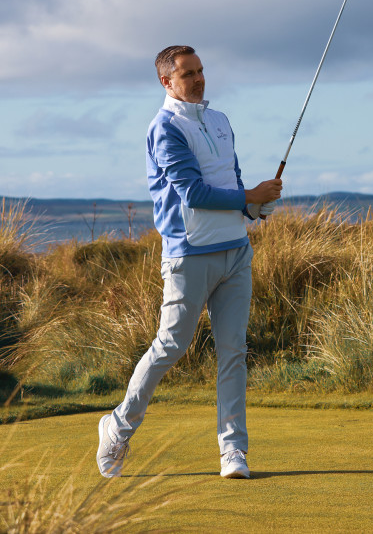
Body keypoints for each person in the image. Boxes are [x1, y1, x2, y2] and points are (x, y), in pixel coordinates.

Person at [96, 45, 282, 479]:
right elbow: (193, 194)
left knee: (234, 351)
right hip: (188, 255)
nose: (198, 79)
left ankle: (233, 452)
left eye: (200, 71)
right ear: (167, 82)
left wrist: (255, 208)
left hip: (236, 252)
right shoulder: (164, 128)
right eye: (188, 74)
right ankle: (117, 427)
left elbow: (231, 184)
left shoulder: (219, 121)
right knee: (171, 346)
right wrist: (249, 196)